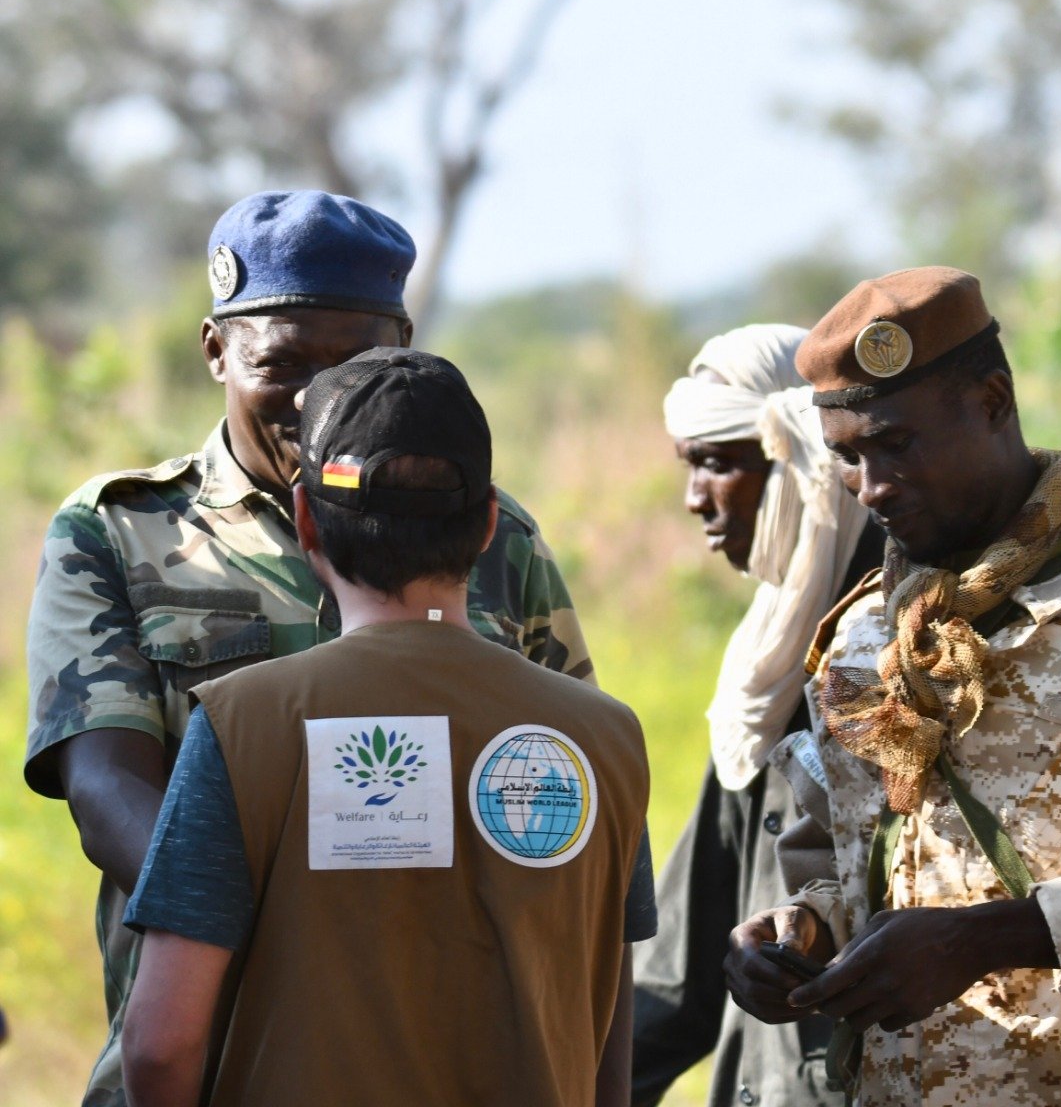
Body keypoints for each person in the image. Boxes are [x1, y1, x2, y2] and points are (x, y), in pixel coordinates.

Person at [24, 190, 595, 1107]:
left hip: (449, 1053)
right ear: (216, 350)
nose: (318, 399)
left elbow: (558, 785)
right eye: (281, 363)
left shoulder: (492, 536)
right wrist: (292, 928)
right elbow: (104, 786)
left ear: (404, 342)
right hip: (215, 1052)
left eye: (357, 360)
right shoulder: (123, 533)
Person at [722, 267, 1061, 1106]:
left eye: (895, 443)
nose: (870, 488)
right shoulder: (868, 635)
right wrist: (800, 933)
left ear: (992, 399)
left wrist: (988, 938)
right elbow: (862, 872)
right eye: (846, 459)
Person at [119, 347, 654, 1105]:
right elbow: (607, 1021)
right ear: (488, 526)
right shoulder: (606, 739)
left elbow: (161, 1044)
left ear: (306, 520)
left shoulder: (244, 725)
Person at [635, 324, 879, 1106]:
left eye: (716, 463)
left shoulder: (903, 639)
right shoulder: (768, 663)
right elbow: (679, 971)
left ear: (801, 458)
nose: (694, 497)